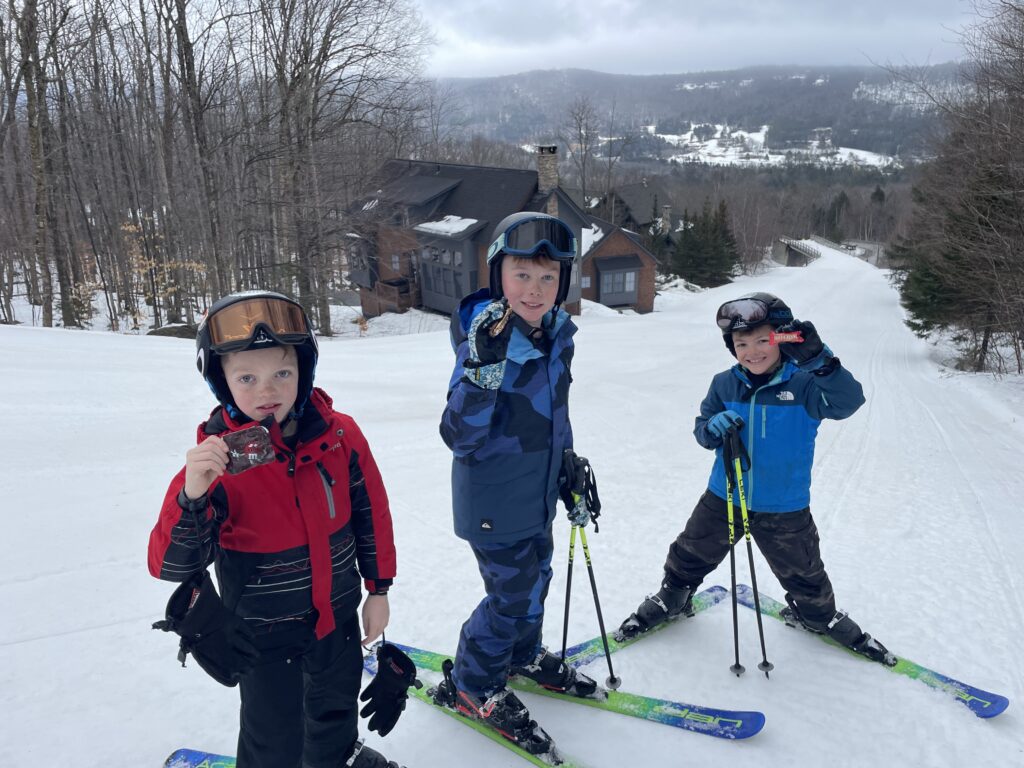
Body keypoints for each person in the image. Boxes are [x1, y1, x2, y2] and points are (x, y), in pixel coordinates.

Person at [148, 291, 410, 768]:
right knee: (274, 740)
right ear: (221, 380)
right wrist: (193, 495)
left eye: (282, 373)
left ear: (303, 371)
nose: (266, 391)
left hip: (337, 622)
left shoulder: (341, 436)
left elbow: (372, 513)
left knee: (334, 719)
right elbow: (170, 564)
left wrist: (379, 589)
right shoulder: (218, 461)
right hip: (262, 637)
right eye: (247, 377)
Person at [618, 292, 893, 665]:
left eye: (763, 340)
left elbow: (848, 402)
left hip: (784, 503)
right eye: (741, 344)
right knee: (689, 553)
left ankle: (816, 615)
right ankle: (674, 595)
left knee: (804, 571)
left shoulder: (806, 384)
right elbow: (703, 430)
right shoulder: (724, 384)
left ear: (782, 339)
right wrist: (711, 428)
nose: (753, 351)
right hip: (725, 495)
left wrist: (820, 362)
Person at [434, 212, 599, 754]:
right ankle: (473, 683)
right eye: (522, 275)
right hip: (492, 499)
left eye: (548, 278)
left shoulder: (555, 337)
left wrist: (567, 468)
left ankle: (521, 654)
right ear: (498, 275)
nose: (535, 290)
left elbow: (554, 413)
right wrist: (482, 367)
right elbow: (458, 435)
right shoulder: (486, 342)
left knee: (539, 579)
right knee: (511, 596)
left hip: (536, 493)